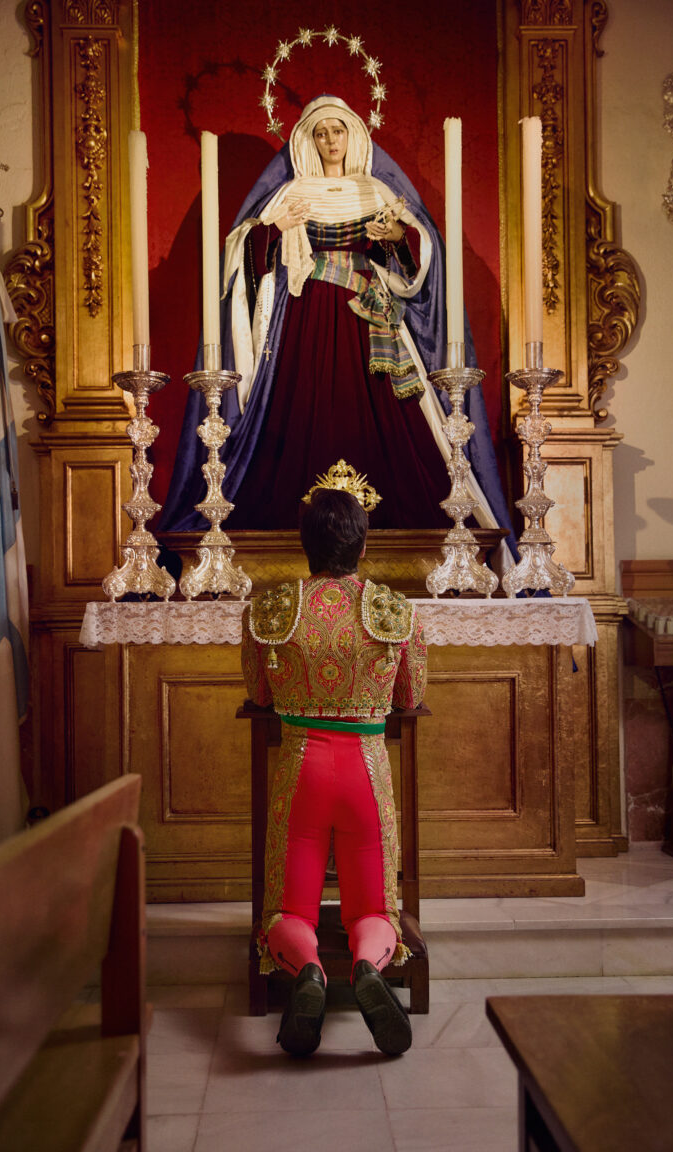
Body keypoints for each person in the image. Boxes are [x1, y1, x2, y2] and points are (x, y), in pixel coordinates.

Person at [161, 95, 513, 563]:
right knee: (298, 406)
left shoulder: (376, 192)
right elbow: (248, 266)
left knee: (389, 423)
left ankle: (414, 539)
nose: (330, 141)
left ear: (354, 136)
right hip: (303, 316)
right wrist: (272, 229)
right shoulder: (290, 194)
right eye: (321, 132)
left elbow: (411, 270)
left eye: (338, 131)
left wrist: (395, 240)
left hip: (366, 316)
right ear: (309, 139)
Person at [241, 477, 427, 1056]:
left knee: (286, 910)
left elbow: (260, 693)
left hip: (301, 770)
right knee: (374, 908)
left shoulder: (271, 611)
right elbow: (410, 694)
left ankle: (309, 972)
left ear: (305, 545)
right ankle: (368, 967)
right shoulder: (394, 611)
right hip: (366, 769)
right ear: (363, 546)